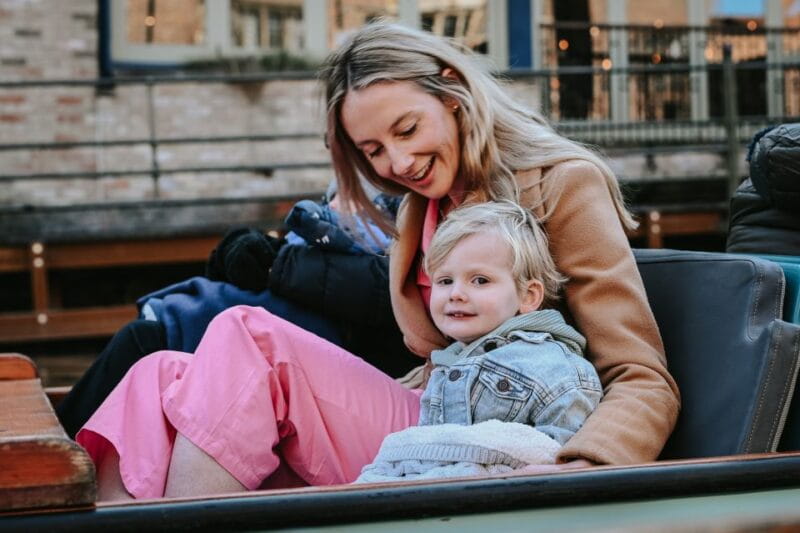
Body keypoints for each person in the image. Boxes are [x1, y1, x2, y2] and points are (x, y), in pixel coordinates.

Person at [77, 21, 679, 500]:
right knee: (157, 373)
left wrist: (585, 471)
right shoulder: (421, 208)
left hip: (498, 443)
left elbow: (642, 375)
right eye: (374, 150)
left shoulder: (562, 184)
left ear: (452, 91)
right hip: (433, 414)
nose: (398, 162)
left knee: (247, 334)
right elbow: (440, 362)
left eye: (407, 129)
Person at [357, 201, 602, 482]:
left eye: (480, 280)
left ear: (528, 296)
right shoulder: (444, 368)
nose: (456, 294)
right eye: (445, 281)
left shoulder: (552, 365)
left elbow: (561, 454)